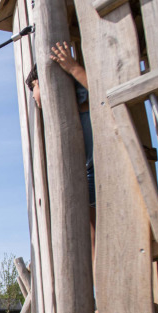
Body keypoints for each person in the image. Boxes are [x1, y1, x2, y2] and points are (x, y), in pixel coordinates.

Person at [26, 41, 96, 261]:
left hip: (99, 166)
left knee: (99, 235)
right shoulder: (61, 116)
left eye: (35, 86)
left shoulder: (84, 98)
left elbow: (103, 95)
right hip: (86, 173)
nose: (35, 96)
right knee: (93, 238)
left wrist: (72, 67)